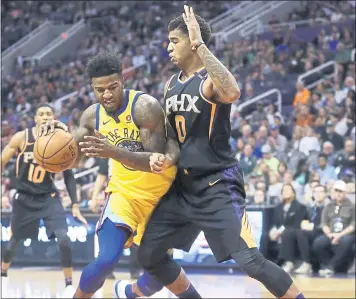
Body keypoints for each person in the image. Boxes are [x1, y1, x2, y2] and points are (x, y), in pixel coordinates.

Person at [119, 6, 305, 299]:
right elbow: (169, 138)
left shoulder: (208, 80)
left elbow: (232, 92)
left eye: (174, 40)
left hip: (216, 184)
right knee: (149, 254)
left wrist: (199, 45)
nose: (168, 47)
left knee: (250, 262)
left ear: (192, 42)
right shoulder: (170, 84)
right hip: (182, 187)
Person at [39, 52, 181, 298]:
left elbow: (154, 161)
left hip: (161, 202)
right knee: (105, 260)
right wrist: (57, 138)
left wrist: (113, 151)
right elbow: (73, 158)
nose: (106, 94)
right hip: (123, 196)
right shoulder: (91, 116)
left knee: (155, 281)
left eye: (112, 87)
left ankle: (128, 292)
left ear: (123, 81)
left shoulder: (144, 108)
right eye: (99, 89)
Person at [0, 104, 87, 297]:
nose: (45, 116)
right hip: (23, 198)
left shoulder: (60, 140)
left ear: (54, 117)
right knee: (13, 242)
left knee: (64, 239)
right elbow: (2, 161)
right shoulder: (22, 137)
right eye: (41, 114)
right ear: (35, 119)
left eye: (49, 113)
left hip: (49, 198)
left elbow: (69, 175)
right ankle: (3, 274)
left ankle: (68, 285)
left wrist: (74, 204)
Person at [91, 158, 141, 280]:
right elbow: (101, 175)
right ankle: (106, 269)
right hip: (114, 197)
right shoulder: (109, 151)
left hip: (136, 196)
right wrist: (94, 196)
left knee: (135, 236)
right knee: (110, 236)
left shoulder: (137, 148)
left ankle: (135, 271)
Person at [313, 180, 355, 275]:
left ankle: (332, 266)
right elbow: (324, 223)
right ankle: (329, 265)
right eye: (336, 191)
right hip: (331, 233)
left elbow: (353, 225)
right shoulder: (328, 206)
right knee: (318, 243)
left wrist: (339, 235)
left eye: (340, 191)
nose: (338, 194)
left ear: (345, 193)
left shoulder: (352, 206)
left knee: (346, 241)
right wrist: (330, 234)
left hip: (347, 234)